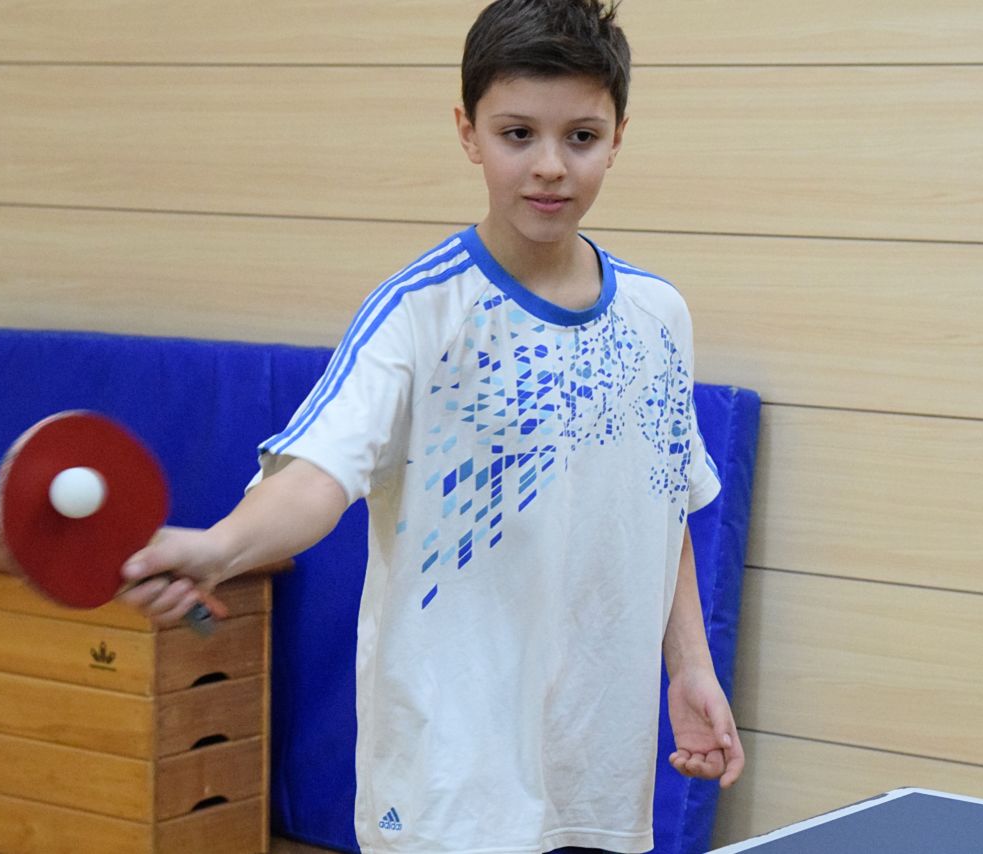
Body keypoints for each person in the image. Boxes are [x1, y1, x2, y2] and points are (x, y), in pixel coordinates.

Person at [120, 1, 744, 851]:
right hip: (449, 782)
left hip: (598, 766)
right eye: (518, 134)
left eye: (581, 137)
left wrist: (691, 667)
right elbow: (317, 477)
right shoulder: (419, 313)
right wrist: (219, 548)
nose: (550, 166)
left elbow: (661, 502)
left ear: (619, 137)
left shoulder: (657, 316)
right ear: (468, 132)